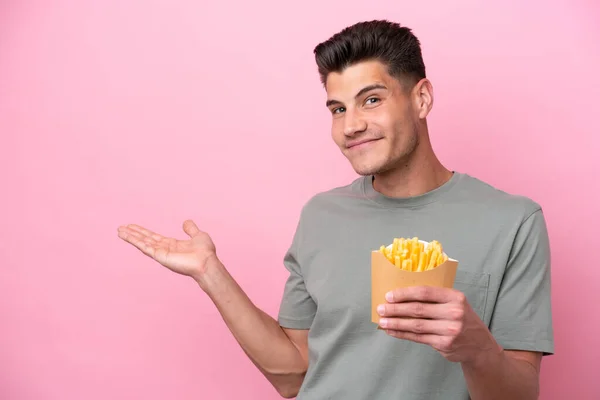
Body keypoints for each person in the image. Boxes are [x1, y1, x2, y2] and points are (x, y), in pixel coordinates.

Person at [117, 20, 554, 400]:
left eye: (372, 100)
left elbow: (519, 394)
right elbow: (292, 372)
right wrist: (210, 273)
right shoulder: (321, 216)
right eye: (338, 109)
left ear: (421, 99)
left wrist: (476, 347)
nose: (351, 126)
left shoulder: (513, 222)